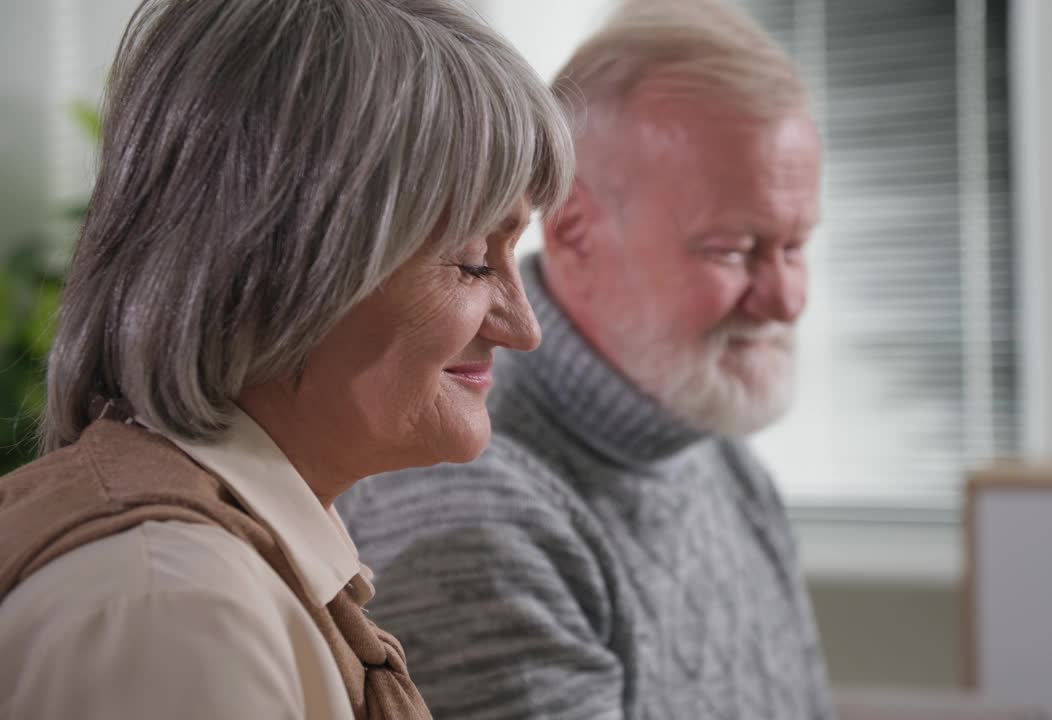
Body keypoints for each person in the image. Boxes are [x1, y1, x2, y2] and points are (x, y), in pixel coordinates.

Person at [0, 0, 573, 717]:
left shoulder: (217, 576)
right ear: (280, 261)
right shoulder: (174, 609)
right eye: (471, 261)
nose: (525, 329)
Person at [337, 0, 834, 718]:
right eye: (731, 249)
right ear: (573, 232)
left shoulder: (723, 462)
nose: (788, 300)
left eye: (795, 247)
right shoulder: (467, 506)